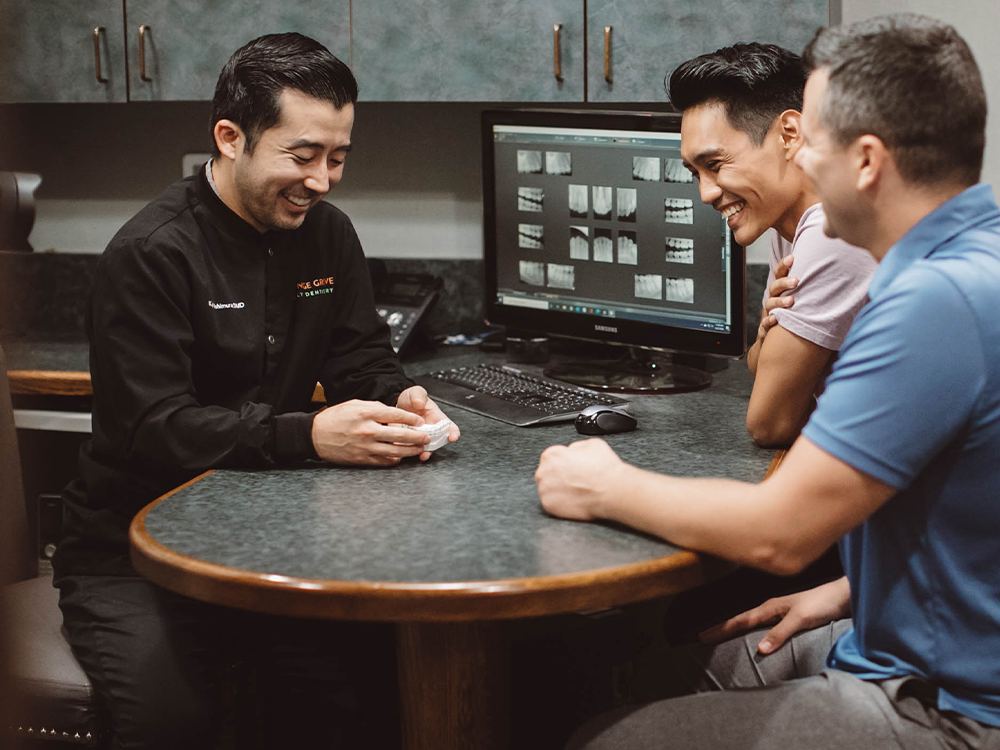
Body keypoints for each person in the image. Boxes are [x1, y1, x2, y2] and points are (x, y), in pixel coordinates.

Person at [537, 13, 1000, 749]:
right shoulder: (977, 255)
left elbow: (781, 534)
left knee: (598, 739)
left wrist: (600, 484)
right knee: (680, 665)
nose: (803, 164)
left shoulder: (932, 304)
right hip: (902, 640)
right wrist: (851, 594)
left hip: (953, 713)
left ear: (868, 161)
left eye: (812, 144)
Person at [52, 33, 458, 749]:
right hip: (132, 556)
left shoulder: (328, 235)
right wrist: (307, 434)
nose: (324, 179)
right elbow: (155, 425)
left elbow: (361, 356)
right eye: (303, 156)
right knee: (172, 723)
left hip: (273, 544)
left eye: (338, 158)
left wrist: (401, 402)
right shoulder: (151, 253)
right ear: (231, 137)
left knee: (363, 694)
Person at [670, 43, 876, 448]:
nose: (705, 193)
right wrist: (768, 338)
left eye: (715, 165)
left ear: (789, 134)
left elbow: (768, 423)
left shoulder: (833, 230)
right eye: (695, 173)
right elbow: (757, 362)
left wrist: (772, 344)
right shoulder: (789, 224)